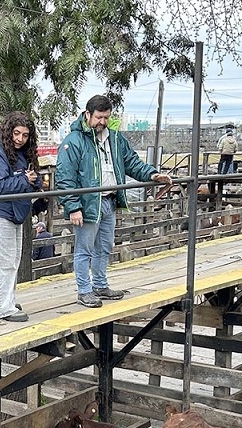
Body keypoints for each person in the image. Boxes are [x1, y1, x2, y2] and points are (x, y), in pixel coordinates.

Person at [56, 95, 172, 308]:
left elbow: (133, 163)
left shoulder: (116, 139)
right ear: (87, 114)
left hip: (109, 200)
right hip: (88, 202)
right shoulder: (73, 141)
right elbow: (65, 177)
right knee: (84, 249)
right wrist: (73, 207)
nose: (102, 122)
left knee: (105, 246)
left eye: (106, 117)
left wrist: (153, 175)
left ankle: (100, 284)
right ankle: (84, 290)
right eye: (99, 117)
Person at [0, 111, 42, 322]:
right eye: (17, 133)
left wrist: (32, 180)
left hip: (16, 212)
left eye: (25, 135)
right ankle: (4, 309)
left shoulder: (24, 152)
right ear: (8, 131)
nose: (20, 139)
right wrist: (26, 180)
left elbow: (36, 179)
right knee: (5, 261)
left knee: (11, 260)